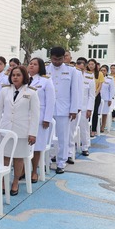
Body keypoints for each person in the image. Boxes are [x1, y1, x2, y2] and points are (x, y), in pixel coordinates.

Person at [0, 65, 40, 195]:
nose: (15, 77)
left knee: (18, 159)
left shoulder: (31, 92)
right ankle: (3, 181)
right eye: (13, 75)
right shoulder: (4, 91)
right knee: (5, 157)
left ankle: (15, 182)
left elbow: (35, 115)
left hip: (22, 131)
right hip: (6, 129)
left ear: (24, 76)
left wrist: (33, 133)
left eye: (18, 75)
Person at [46, 46, 79, 174]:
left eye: (60, 59)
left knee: (63, 137)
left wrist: (73, 109)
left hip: (64, 109)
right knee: (46, 137)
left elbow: (74, 91)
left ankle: (61, 162)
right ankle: (46, 161)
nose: (57, 62)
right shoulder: (45, 69)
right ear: (51, 58)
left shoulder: (72, 71)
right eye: (54, 59)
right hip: (48, 109)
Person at [27, 57, 55, 182]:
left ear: (40, 67)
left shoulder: (45, 81)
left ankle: (34, 171)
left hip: (40, 117)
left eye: (35, 64)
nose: (31, 66)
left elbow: (50, 101)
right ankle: (23, 170)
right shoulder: (24, 79)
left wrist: (47, 118)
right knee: (24, 144)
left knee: (37, 146)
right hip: (25, 117)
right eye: (30, 64)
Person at [77, 58, 95, 156]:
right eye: (78, 64)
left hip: (84, 108)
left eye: (82, 64)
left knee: (84, 128)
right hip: (73, 108)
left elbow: (91, 96)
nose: (80, 66)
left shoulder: (89, 77)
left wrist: (89, 109)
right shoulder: (73, 76)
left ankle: (85, 147)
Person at [88, 59, 103, 137]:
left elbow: (100, 85)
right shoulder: (86, 73)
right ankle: (87, 128)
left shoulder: (99, 74)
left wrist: (95, 94)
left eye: (92, 64)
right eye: (89, 64)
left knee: (94, 113)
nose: (91, 66)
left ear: (95, 65)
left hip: (96, 96)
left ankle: (93, 130)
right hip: (87, 96)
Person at [99, 65, 115, 133]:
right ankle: (97, 125)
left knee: (104, 113)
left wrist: (110, 99)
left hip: (106, 98)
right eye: (101, 70)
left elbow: (112, 90)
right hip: (98, 98)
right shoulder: (97, 77)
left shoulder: (110, 79)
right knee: (97, 113)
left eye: (104, 70)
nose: (103, 72)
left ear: (107, 71)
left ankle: (103, 126)